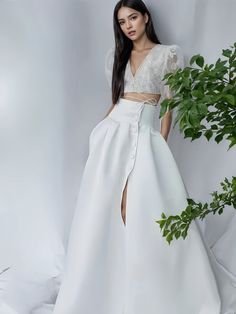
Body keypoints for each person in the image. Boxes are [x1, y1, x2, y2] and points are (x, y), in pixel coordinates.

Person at [53, 0, 221, 313]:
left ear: (145, 17)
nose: (128, 25)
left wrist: (162, 141)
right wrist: (97, 134)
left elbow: (170, 106)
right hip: (111, 134)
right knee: (102, 208)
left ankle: (151, 289)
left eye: (133, 17)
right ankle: (105, 286)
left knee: (141, 208)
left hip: (145, 132)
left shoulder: (168, 54)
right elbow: (115, 101)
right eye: (122, 22)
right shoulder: (116, 56)